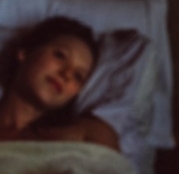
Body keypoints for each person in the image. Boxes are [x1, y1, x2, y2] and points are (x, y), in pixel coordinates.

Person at [0, 16, 119, 151]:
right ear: (25, 53)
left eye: (78, 76)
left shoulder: (89, 134)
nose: (67, 74)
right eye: (60, 56)